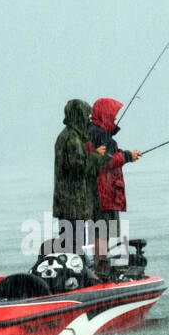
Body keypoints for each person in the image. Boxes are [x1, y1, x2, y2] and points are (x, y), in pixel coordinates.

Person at [86, 97, 141, 277]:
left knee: (101, 230)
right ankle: (100, 271)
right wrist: (127, 156)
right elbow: (107, 160)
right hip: (103, 191)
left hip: (100, 190)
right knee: (102, 231)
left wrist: (124, 153)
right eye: (113, 115)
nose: (115, 119)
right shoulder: (99, 133)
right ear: (105, 114)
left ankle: (98, 267)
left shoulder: (95, 131)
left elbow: (108, 153)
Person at [52, 99, 108, 256]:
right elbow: (80, 167)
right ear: (78, 115)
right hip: (72, 203)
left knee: (72, 244)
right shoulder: (71, 138)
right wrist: (97, 155)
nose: (88, 119)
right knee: (72, 246)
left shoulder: (69, 136)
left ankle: (73, 275)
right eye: (86, 115)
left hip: (69, 203)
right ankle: (72, 276)